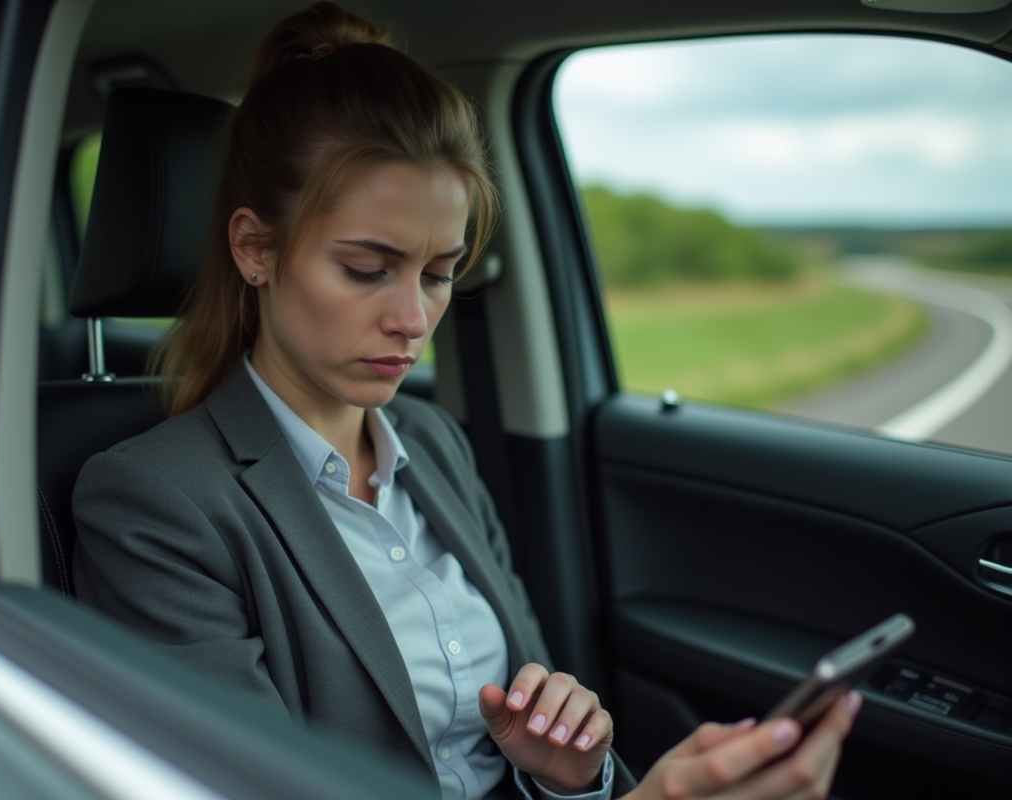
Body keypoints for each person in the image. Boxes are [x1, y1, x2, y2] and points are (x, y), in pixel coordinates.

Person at [71, 4, 858, 799]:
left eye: (439, 272)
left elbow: (534, 729)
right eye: (366, 268)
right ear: (255, 249)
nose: (413, 320)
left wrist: (571, 779)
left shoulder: (434, 442)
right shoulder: (155, 501)